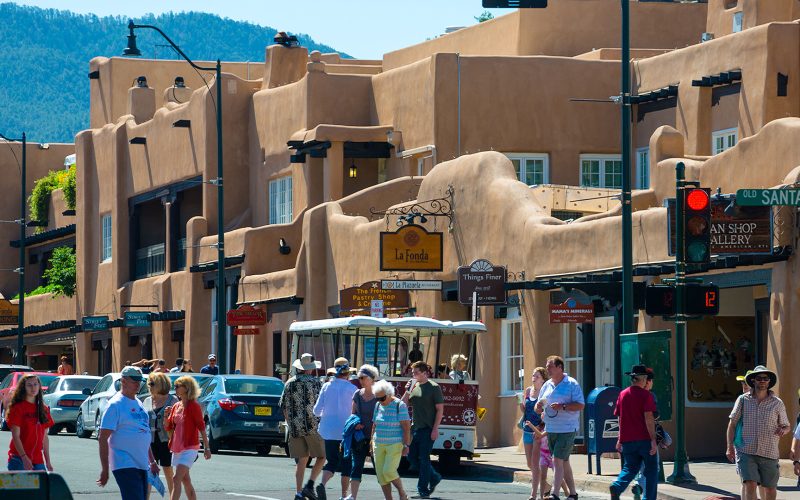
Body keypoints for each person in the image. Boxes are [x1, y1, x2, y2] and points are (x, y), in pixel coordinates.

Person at [726, 365, 791, 500]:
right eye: (759, 378)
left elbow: (787, 426)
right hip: (746, 451)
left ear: (769, 382)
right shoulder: (743, 400)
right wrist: (729, 447)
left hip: (769, 452)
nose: (762, 381)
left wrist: (783, 430)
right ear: (753, 380)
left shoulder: (777, 403)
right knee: (750, 484)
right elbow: (732, 424)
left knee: (770, 489)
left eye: (765, 378)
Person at [97, 366, 159, 500]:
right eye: (134, 381)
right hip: (124, 463)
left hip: (142, 464)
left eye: (139, 381)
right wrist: (105, 469)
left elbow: (143, 433)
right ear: (123, 381)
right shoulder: (115, 405)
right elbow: (103, 438)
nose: (138, 384)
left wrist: (152, 461)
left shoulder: (138, 403)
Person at [536, 355, 584, 500]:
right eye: (547, 366)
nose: (547, 369)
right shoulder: (546, 385)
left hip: (567, 428)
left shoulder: (571, 383)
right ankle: (573, 494)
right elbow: (538, 407)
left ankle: (555, 494)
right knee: (564, 461)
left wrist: (562, 406)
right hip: (551, 429)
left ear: (559, 367)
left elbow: (580, 405)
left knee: (557, 460)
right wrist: (539, 407)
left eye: (550, 366)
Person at [609, 365, 659, 500]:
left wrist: (620, 438)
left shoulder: (622, 394)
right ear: (643, 379)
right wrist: (653, 440)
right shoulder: (646, 395)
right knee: (651, 470)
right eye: (646, 378)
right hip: (644, 440)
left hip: (627, 440)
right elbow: (649, 418)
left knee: (630, 467)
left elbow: (619, 418)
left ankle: (617, 486)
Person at [280, 353, 325, 500]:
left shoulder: (289, 383)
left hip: (295, 428)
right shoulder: (316, 383)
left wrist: (291, 423)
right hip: (313, 426)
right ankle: (309, 485)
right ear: (309, 369)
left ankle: (299, 492)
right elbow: (321, 405)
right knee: (322, 456)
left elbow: (283, 406)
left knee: (302, 460)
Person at [313, 357, 358, 500]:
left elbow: (316, 411)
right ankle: (344, 495)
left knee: (332, 461)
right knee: (346, 464)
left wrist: (327, 413)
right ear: (348, 373)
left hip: (328, 430)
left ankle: (322, 483)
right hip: (346, 431)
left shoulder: (326, 386)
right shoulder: (353, 389)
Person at [401, 361, 443, 499]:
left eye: (416, 373)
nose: (413, 375)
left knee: (424, 459)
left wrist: (435, 429)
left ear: (425, 373)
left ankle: (423, 490)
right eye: (412, 373)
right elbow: (403, 404)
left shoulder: (434, 387)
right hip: (416, 429)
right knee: (411, 457)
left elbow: (440, 410)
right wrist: (407, 390)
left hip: (428, 428)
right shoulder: (414, 386)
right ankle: (434, 476)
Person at [165, 375, 210, 500]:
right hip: (177, 447)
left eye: (178, 386)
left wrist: (207, 448)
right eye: (175, 386)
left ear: (186, 388)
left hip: (190, 448)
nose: (175, 388)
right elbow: (168, 427)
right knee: (185, 480)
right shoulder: (176, 406)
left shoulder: (193, 406)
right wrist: (166, 416)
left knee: (176, 478)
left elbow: (201, 427)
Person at [6, 373, 54, 471]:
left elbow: (45, 438)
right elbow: (16, 436)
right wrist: (24, 457)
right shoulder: (17, 408)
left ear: (39, 386)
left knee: (42, 481)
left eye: (35, 384)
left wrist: (48, 461)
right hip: (18, 458)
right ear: (23, 388)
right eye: (29, 385)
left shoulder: (44, 409)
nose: (33, 388)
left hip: (38, 460)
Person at [372, 379, 411, 500]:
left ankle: (402, 493)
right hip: (378, 443)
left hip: (394, 444)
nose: (380, 401)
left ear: (389, 394)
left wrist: (406, 445)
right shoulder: (378, 405)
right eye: (377, 398)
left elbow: (406, 427)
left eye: (382, 398)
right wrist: (371, 442)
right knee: (381, 475)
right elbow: (374, 424)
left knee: (388, 471)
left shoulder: (400, 405)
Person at [347, 365, 380, 500]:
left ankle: (392, 495)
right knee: (356, 466)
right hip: (359, 437)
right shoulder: (357, 394)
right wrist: (356, 423)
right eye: (359, 377)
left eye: (363, 377)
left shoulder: (380, 394)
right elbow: (353, 414)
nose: (360, 380)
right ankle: (353, 496)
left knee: (381, 470)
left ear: (372, 378)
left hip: (376, 438)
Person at [143, 371, 179, 497]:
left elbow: (178, 421)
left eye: (152, 383)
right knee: (148, 474)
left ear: (161, 384)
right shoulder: (147, 401)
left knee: (168, 472)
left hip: (167, 442)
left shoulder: (173, 400)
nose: (149, 386)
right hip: (150, 442)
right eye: (149, 383)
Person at [519, 367, 547, 500]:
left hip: (538, 431)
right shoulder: (528, 390)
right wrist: (520, 404)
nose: (534, 378)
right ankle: (546, 486)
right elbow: (525, 409)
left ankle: (533, 494)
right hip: (526, 429)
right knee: (529, 464)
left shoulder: (544, 392)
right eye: (533, 375)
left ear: (542, 379)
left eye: (537, 376)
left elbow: (546, 413)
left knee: (535, 465)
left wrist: (541, 426)